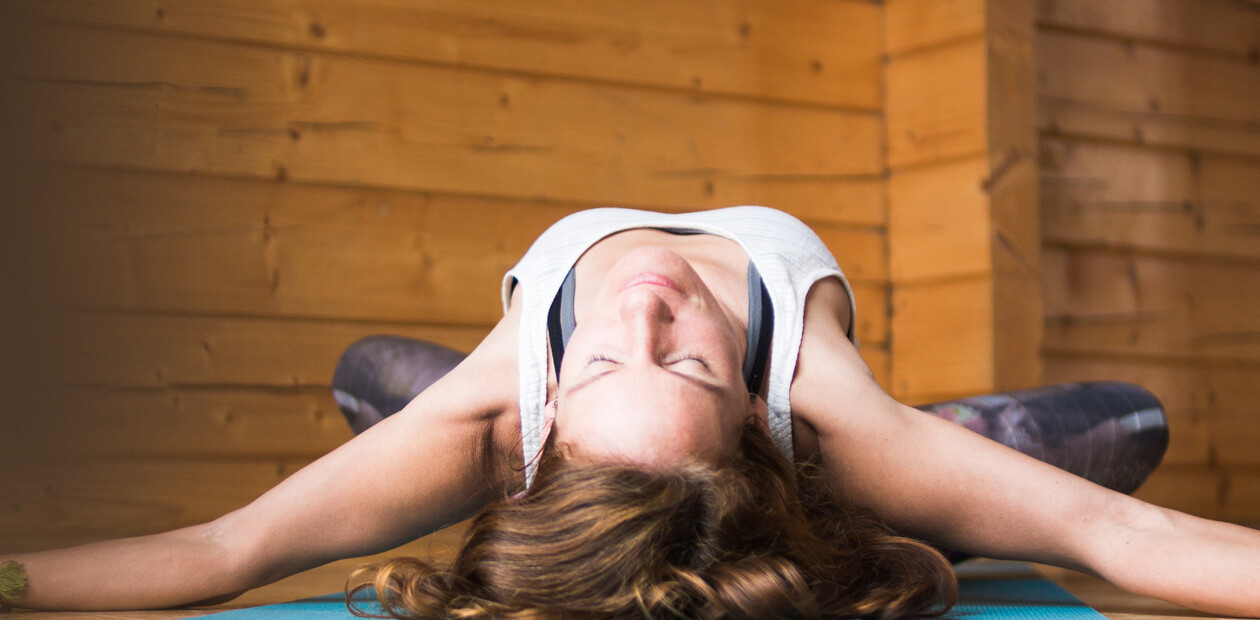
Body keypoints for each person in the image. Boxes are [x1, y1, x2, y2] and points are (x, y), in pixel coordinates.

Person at [2, 207, 1258, 618]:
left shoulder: (495, 413)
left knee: (370, 373)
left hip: (515, 444)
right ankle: (977, 440)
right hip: (848, 465)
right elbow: (1122, 540)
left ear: (536, 436)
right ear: (757, 420)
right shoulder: (826, 424)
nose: (648, 312)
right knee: (1129, 424)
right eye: (694, 366)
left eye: (610, 363)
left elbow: (224, 549)